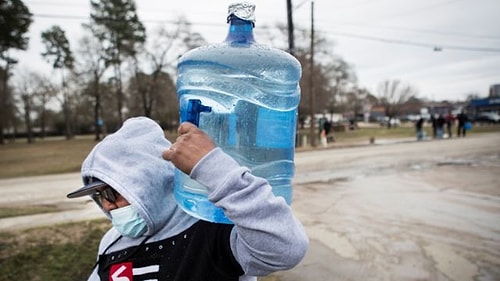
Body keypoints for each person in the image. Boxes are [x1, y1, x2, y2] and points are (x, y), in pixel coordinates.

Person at [66, 117, 308, 281]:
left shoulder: (211, 227)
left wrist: (213, 168)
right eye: (97, 196)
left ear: (147, 183)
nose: (106, 205)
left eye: (111, 191)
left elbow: (286, 249)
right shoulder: (112, 243)